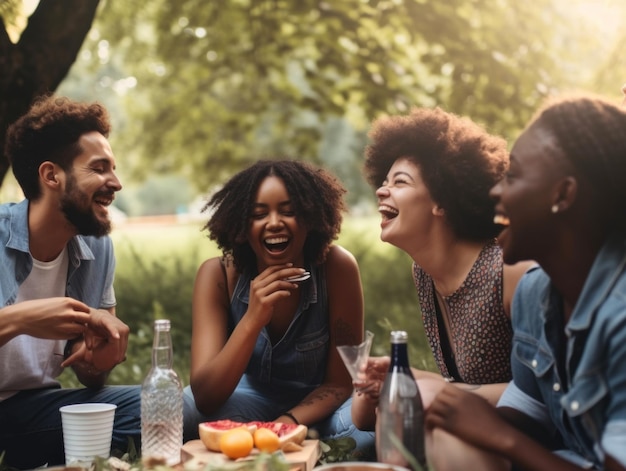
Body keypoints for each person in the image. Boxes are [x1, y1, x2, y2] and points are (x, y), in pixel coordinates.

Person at [425, 93, 626, 470]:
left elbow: (513, 439)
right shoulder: (535, 294)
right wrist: (459, 412)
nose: (496, 191)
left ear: (562, 194)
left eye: (513, 176)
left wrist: (502, 437)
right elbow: (529, 411)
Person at [351, 107, 533, 432]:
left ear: (442, 201)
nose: (381, 190)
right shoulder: (424, 273)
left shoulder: (509, 270)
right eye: (383, 182)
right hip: (472, 430)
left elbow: (541, 394)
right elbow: (363, 420)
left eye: (400, 182)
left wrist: (434, 388)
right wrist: (394, 382)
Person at [183, 159, 375, 456]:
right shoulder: (217, 276)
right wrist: (252, 318)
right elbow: (205, 397)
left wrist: (286, 423)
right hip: (247, 402)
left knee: (365, 435)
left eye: (289, 212)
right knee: (185, 412)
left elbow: (340, 383)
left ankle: (294, 442)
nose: (274, 223)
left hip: (322, 408)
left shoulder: (338, 268)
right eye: (259, 214)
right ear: (242, 228)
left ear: (310, 220)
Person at [0, 95, 140, 469]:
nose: (116, 183)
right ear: (51, 175)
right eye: (100, 168)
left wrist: (99, 361)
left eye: (113, 168)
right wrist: (20, 319)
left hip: (35, 410)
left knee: (170, 407)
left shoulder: (98, 248)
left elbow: (90, 376)